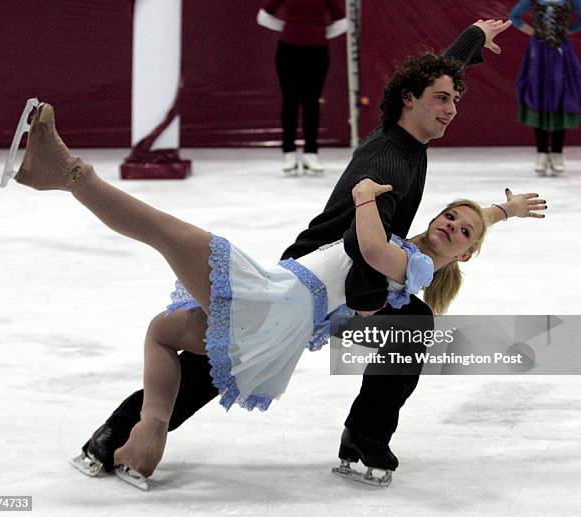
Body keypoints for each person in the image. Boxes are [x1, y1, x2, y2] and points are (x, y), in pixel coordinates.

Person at [73, 20, 514, 486]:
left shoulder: (399, 134)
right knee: (228, 354)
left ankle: (115, 435)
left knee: (228, 352)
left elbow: (431, 80)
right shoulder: (390, 163)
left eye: (455, 101)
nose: (450, 109)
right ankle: (363, 437)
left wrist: (469, 42)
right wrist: (368, 304)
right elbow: (361, 243)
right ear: (411, 100)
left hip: (327, 273)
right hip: (327, 277)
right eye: (443, 100)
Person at [257, 0, 348, 174]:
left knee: (311, 102)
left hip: (316, 52)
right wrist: (291, 28)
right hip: (290, 50)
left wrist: (318, 32)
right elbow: (263, 16)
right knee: (290, 100)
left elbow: (343, 22)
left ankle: (310, 152)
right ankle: (289, 151)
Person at [509, 0, 581, 175]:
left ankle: (557, 152)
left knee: (561, 96)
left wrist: (569, 30)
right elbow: (514, 16)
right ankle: (541, 152)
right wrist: (535, 32)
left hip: (561, 53)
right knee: (538, 95)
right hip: (539, 54)